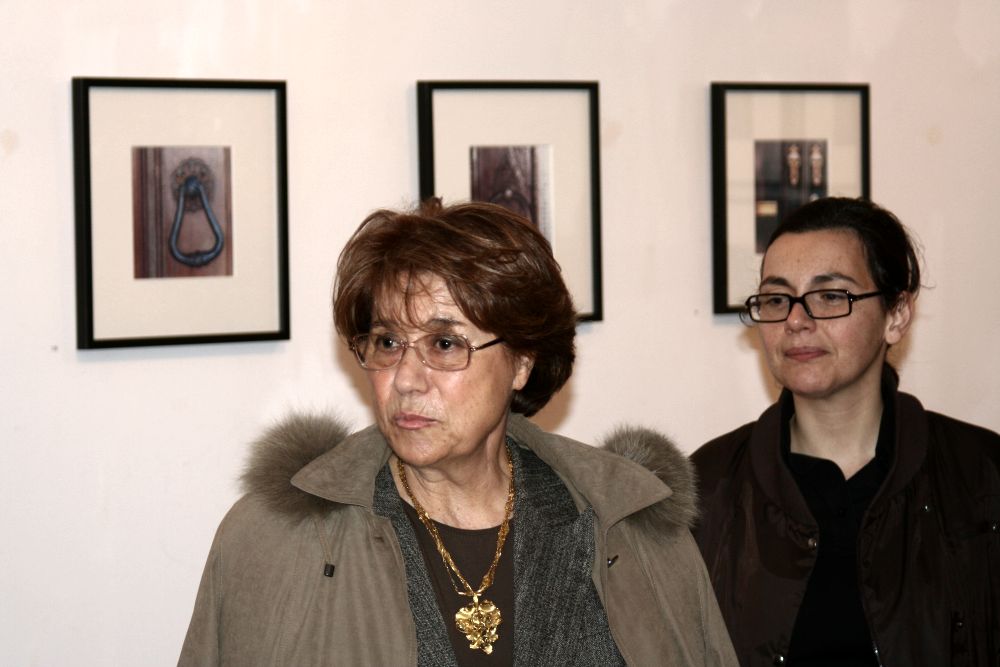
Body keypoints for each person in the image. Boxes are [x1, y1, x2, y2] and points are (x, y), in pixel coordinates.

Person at [179, 199, 737, 665]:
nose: (405, 379)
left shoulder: (633, 527)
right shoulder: (272, 541)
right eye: (387, 342)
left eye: (444, 344)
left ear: (521, 362)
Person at [692, 196, 1000, 666]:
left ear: (896, 315)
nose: (796, 321)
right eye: (776, 299)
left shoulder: (981, 475)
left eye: (831, 296)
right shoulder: (707, 488)